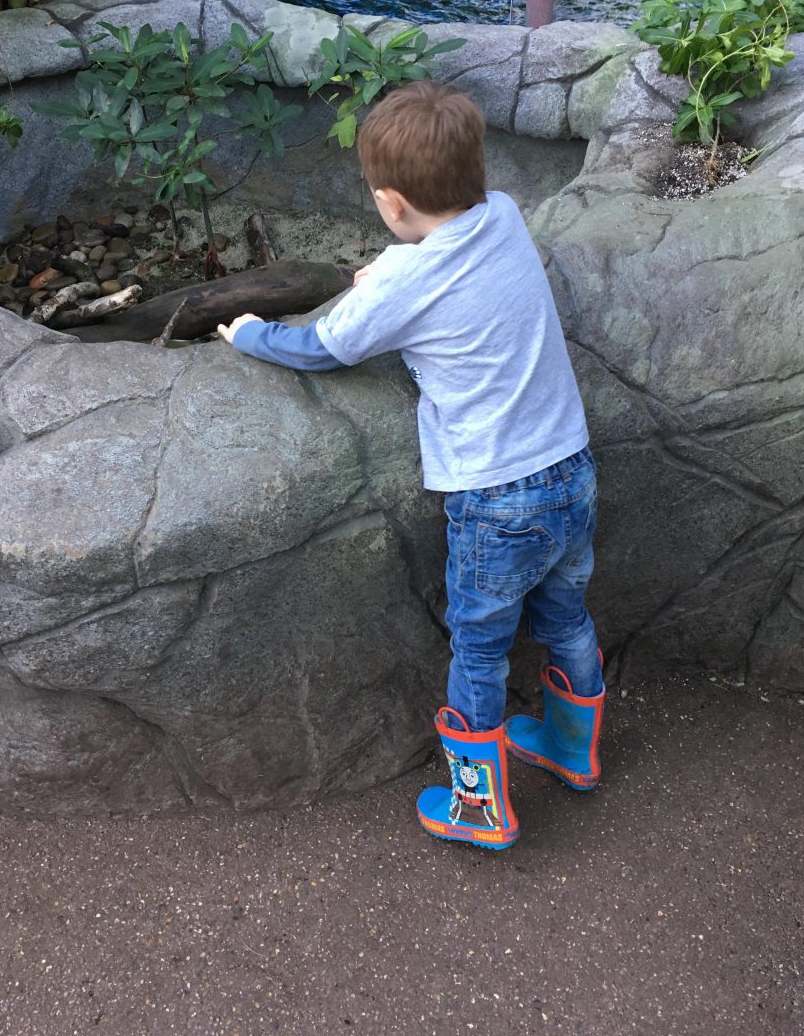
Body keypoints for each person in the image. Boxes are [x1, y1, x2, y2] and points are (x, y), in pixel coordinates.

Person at [218, 81, 605, 851]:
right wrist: (384, 280)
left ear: (391, 205)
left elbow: (324, 346)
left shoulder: (404, 276)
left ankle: (479, 807)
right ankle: (572, 746)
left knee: (481, 647)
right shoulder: (504, 216)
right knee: (566, 617)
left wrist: (251, 334)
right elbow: (440, 276)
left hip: (495, 499)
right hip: (572, 469)